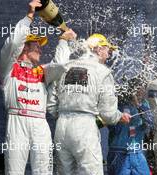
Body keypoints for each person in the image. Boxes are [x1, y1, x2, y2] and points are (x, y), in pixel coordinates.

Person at [0, 0, 77, 174]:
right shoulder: (9, 68)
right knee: (14, 172)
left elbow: (61, 65)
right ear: (24, 47)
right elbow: (12, 44)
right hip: (17, 121)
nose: (40, 50)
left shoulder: (43, 71)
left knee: (44, 172)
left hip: (40, 123)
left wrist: (64, 40)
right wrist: (29, 16)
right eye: (36, 46)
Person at [47, 33, 131, 175]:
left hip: (61, 128)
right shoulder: (102, 72)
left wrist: (63, 114)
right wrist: (119, 117)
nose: (108, 55)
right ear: (98, 50)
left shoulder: (66, 67)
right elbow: (108, 113)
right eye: (107, 50)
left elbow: (50, 104)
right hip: (85, 128)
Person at [107, 79, 153, 175]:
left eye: (143, 89)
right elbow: (108, 123)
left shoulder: (144, 104)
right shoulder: (118, 105)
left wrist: (139, 106)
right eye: (139, 89)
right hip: (118, 151)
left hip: (137, 152)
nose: (142, 92)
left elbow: (150, 122)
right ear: (132, 91)